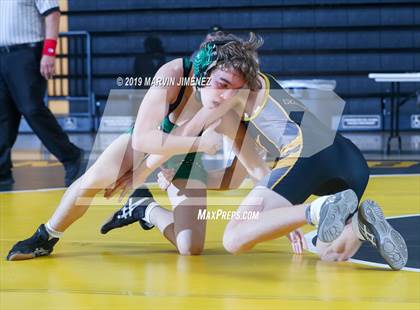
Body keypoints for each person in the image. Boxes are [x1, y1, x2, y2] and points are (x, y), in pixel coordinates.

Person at [103, 32, 408, 270]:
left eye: (226, 84)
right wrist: (280, 218)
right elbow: (262, 173)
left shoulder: (228, 95)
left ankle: (317, 210)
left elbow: (184, 133)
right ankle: (359, 225)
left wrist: (136, 174)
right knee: (329, 252)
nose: (222, 92)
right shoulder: (256, 85)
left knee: (234, 238)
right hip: (349, 160)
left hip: (308, 155)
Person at [6, 33, 263, 260]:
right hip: (156, 139)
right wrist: (198, 144)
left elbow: (255, 171)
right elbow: (142, 139)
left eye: (236, 90)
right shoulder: (172, 75)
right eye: (223, 84)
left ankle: (143, 208)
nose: (227, 96)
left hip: (186, 155)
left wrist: (280, 211)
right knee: (95, 179)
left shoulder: (229, 107)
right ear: (203, 69)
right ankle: (46, 235)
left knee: (190, 247)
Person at [0, 0, 83, 187]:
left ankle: (72, 156)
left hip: (26, 53)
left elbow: (53, 15)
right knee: (3, 115)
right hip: (2, 56)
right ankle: (1, 171)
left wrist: (49, 52)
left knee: (32, 109)